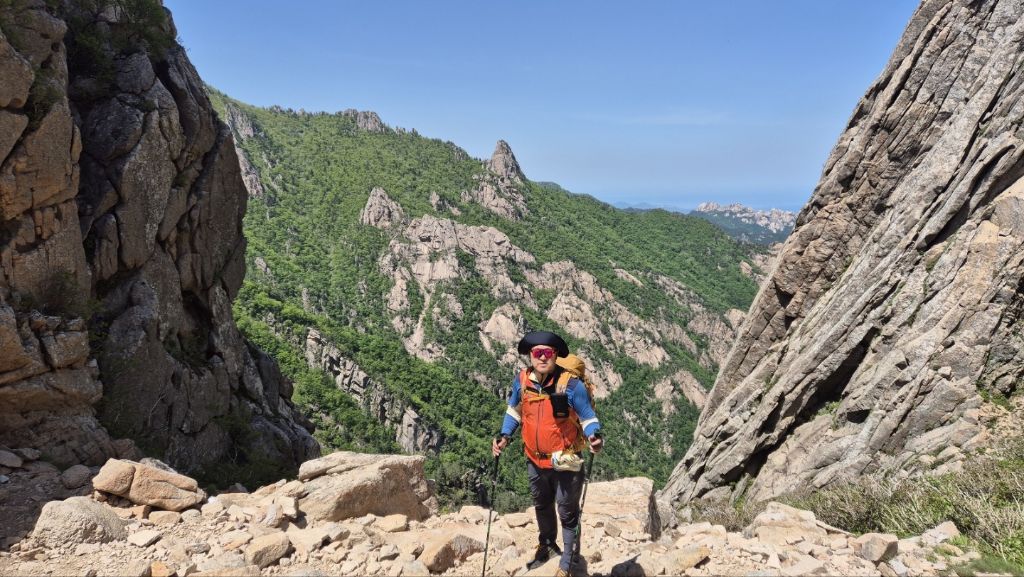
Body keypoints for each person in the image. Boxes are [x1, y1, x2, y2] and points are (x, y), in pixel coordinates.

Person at [492, 330, 603, 577]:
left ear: (555, 355)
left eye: (548, 353)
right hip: (534, 459)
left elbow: (587, 417)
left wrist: (594, 436)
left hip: (565, 460)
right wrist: (504, 435)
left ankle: (568, 564)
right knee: (542, 504)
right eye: (537, 352)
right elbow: (514, 411)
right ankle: (547, 545)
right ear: (530, 355)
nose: (542, 357)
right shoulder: (522, 381)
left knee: (567, 512)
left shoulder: (571, 385)